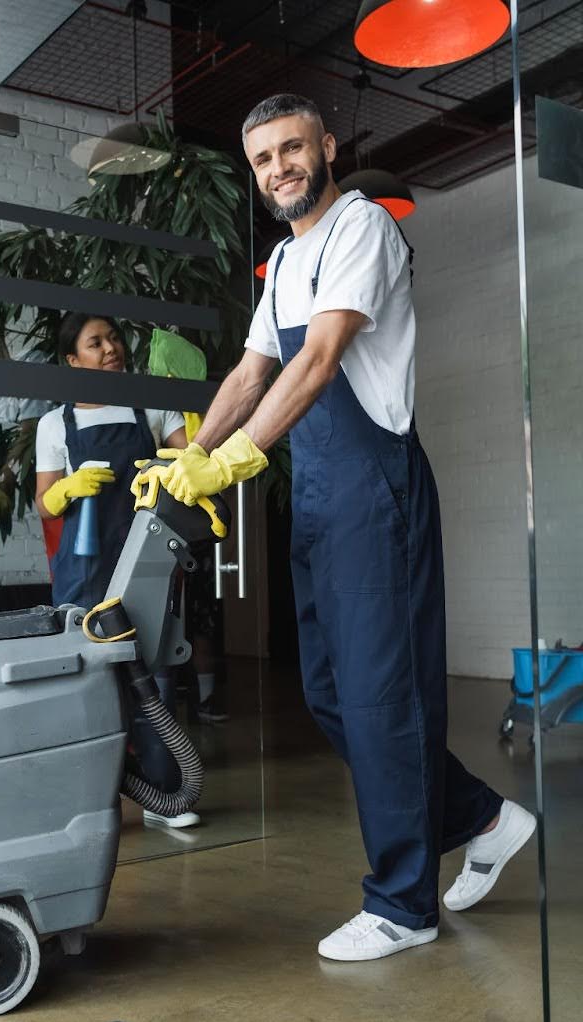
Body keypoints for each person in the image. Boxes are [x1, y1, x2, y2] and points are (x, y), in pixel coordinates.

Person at [134, 93, 537, 961]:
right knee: (326, 692)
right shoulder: (283, 261)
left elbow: (320, 358)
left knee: (381, 697)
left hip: (373, 491)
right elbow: (252, 372)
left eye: (291, 148)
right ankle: (482, 817)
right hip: (318, 498)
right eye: (263, 159)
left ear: (326, 145)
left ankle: (402, 902)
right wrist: (188, 457)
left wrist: (237, 462)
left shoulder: (361, 229)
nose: (279, 168)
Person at [35, 311, 201, 830]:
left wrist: (184, 439)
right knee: (86, 682)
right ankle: (86, 802)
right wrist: (65, 489)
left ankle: (164, 796)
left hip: (144, 557)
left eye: (113, 339)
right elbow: (44, 504)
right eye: (95, 342)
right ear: (72, 359)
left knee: (154, 674)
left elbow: (193, 462)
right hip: (83, 570)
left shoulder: (151, 405)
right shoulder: (54, 424)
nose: (110, 348)